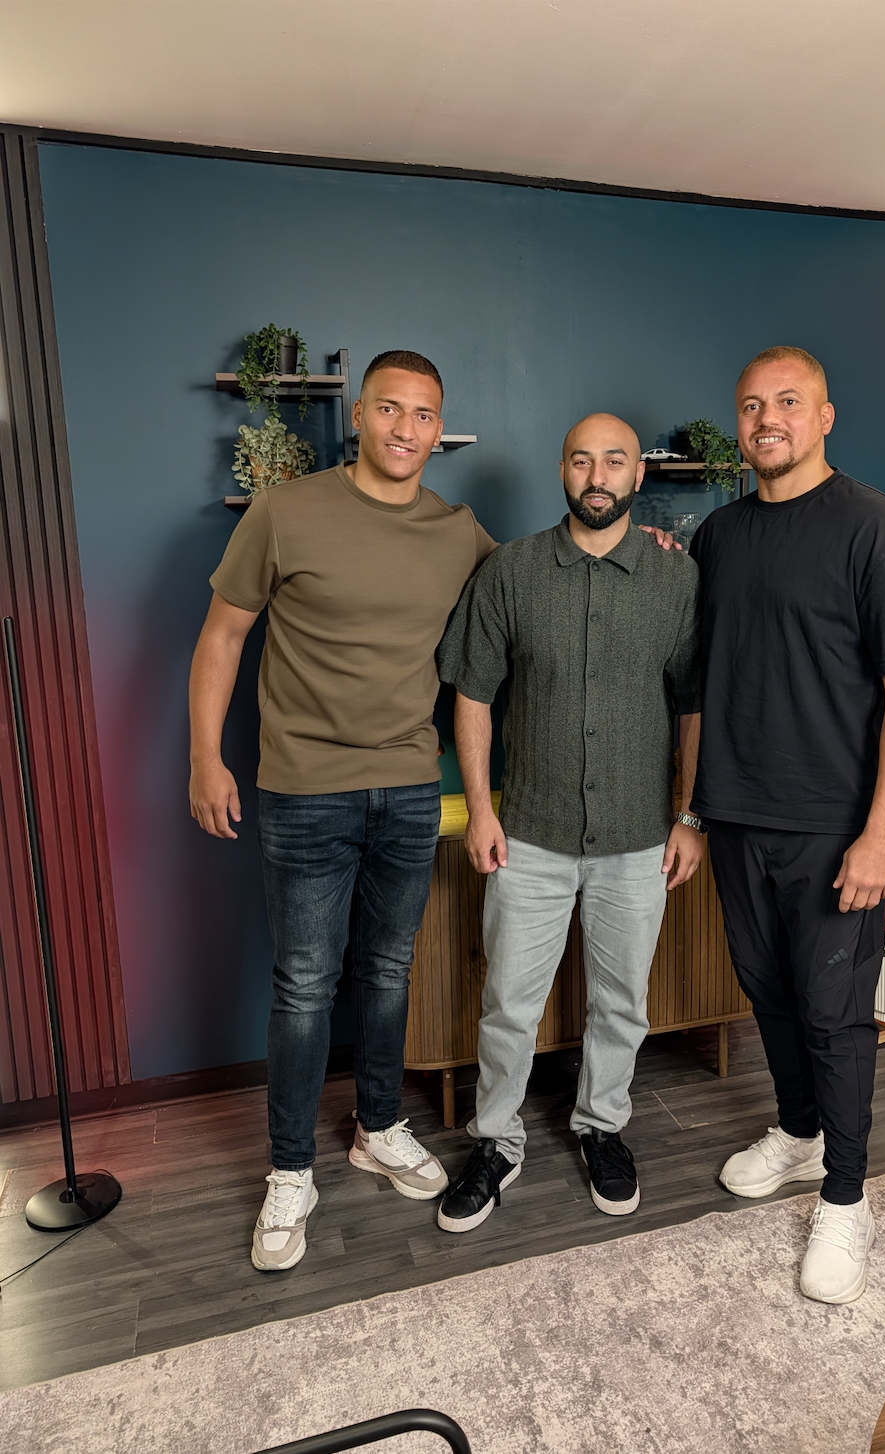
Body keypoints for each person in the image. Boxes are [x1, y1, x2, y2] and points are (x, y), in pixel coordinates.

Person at [189, 350, 496, 1272]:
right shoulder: (288, 511)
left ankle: (378, 1126)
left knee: (390, 971)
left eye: (426, 415)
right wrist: (205, 758)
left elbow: (542, 586)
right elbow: (222, 637)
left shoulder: (459, 531)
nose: (408, 429)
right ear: (359, 414)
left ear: (441, 428)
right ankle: (291, 1171)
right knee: (304, 984)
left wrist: (647, 548)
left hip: (410, 787)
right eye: (392, 409)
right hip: (301, 789)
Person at [688, 346, 885, 1304]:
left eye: (789, 402)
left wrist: (882, 834)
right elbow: (706, 689)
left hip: (835, 828)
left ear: (826, 417)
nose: (769, 418)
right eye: (752, 403)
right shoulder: (718, 537)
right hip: (736, 815)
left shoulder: (878, 529)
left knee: (838, 1018)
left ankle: (846, 1200)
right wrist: (693, 808)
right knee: (769, 994)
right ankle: (799, 1136)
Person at [434, 412, 704, 1233]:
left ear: (638, 477)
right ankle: (495, 1142)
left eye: (614, 460)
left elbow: (692, 706)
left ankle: (602, 1127)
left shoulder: (677, 579)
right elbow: (471, 696)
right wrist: (482, 809)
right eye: (582, 459)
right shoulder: (511, 573)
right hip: (531, 836)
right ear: (562, 470)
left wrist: (689, 815)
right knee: (509, 1003)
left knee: (623, 1003)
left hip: (638, 840)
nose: (597, 474)